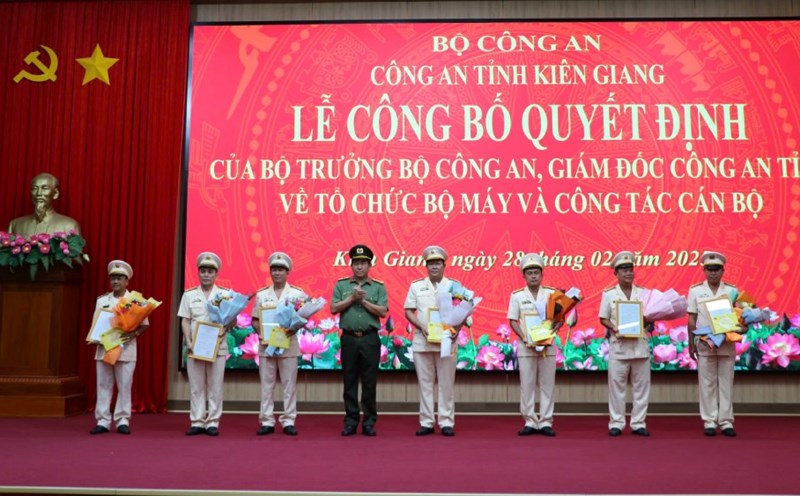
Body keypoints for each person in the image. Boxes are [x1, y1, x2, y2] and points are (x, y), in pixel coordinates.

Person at [331, 244, 388, 437]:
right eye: (356, 263)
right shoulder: (342, 285)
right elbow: (334, 308)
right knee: (349, 381)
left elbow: (382, 311)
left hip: (370, 339)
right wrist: (352, 299)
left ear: (369, 265)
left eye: (363, 263)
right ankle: (351, 421)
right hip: (349, 339)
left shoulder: (378, 287)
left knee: (370, 382)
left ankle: (369, 422)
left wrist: (363, 301)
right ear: (351, 264)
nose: (360, 267)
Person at [404, 246, 460, 437]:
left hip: (446, 341)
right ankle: (427, 422)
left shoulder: (454, 286)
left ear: (444, 265)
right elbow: (408, 311)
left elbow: (463, 312)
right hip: (423, 340)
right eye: (430, 263)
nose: (434, 267)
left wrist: (456, 330)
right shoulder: (416, 286)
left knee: (446, 384)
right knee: (425, 383)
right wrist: (422, 326)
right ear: (426, 266)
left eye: (437, 263)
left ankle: (446, 422)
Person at [89, 260, 148, 435]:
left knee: (124, 385)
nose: (116, 281)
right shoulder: (102, 301)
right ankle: (103, 420)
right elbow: (95, 325)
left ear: (127, 281)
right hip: (105, 348)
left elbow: (144, 324)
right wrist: (94, 338)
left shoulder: (135, 301)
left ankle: (123, 420)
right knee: (103, 384)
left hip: (125, 348)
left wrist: (133, 334)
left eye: (120, 278)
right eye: (113, 278)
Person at [252, 252, 307, 436]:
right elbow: (254, 320)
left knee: (289, 385)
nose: (277, 273)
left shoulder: (297, 294)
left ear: (287, 272)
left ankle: (288, 420)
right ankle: (266, 421)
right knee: (267, 385)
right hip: (266, 347)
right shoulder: (261, 295)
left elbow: (304, 318)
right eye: (274, 269)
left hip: (288, 346)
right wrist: (262, 335)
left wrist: (293, 328)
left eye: (281, 270)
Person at [599, 251, 652, 437]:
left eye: (630, 269)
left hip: (640, 347)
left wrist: (649, 321)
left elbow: (650, 317)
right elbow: (603, 318)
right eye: (624, 270)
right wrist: (614, 327)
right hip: (619, 347)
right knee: (616, 388)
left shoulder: (644, 293)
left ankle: (638, 423)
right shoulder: (608, 294)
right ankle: (616, 423)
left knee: (641, 388)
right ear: (616, 273)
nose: (628, 273)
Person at [687, 251, 741, 437]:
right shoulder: (695, 290)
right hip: (704, 344)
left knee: (726, 383)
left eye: (716, 269)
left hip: (726, 344)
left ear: (723, 270)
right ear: (704, 270)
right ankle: (709, 421)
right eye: (709, 269)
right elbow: (692, 319)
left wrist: (742, 327)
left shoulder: (732, 291)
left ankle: (726, 421)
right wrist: (690, 343)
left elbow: (741, 316)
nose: (713, 272)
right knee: (707, 383)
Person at [507, 253, 560, 437]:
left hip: (548, 347)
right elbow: (513, 321)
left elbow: (559, 319)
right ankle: (530, 420)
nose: (533, 275)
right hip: (526, 347)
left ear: (542, 273)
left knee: (547, 385)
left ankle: (546, 421)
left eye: (536, 272)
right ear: (524, 275)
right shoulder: (517, 296)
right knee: (527, 385)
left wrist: (553, 330)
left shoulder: (552, 295)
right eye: (529, 272)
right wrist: (524, 338)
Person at [178, 252, 230, 436]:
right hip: (195, 346)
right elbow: (185, 320)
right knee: (196, 386)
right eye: (203, 271)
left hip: (218, 346)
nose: (206, 275)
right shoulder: (189, 295)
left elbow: (233, 320)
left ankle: (213, 422)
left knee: (215, 386)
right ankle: (197, 421)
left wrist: (225, 329)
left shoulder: (224, 295)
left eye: (210, 271)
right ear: (198, 273)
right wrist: (189, 341)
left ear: (216, 275)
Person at [8, 173, 81, 236]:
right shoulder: (15, 224)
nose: (38, 193)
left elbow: (76, 251)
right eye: (35, 188)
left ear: (55, 194)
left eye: (44, 188)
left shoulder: (70, 225)